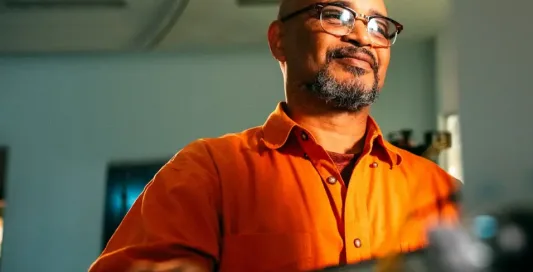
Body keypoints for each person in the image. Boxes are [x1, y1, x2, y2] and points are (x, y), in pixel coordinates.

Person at [89, 0, 459, 271]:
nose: (363, 36)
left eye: (380, 26)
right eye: (335, 14)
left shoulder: (441, 192)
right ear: (279, 40)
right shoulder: (206, 174)